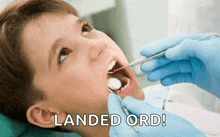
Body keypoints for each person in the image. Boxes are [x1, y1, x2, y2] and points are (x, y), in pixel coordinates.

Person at [0, 0, 210, 136]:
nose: (97, 44)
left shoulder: (174, 101)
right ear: (46, 114)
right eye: (64, 53)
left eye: (85, 29)